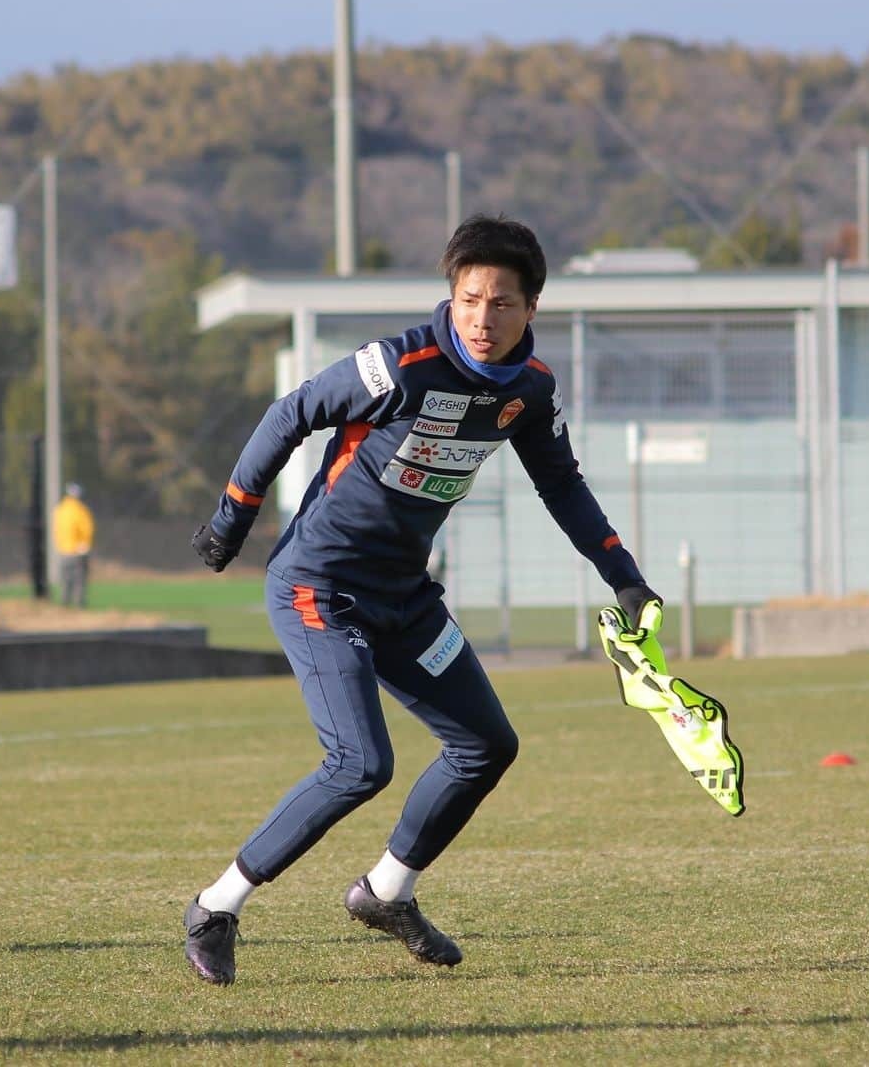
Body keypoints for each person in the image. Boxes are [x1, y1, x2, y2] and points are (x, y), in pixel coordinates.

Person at [186, 214, 662, 986]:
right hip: (320, 587)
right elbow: (293, 411)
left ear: (531, 309)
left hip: (405, 598)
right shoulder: (400, 364)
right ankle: (215, 907)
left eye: (502, 303)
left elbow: (563, 485)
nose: (482, 317)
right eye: (470, 298)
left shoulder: (531, 392)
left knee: (486, 745)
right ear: (452, 295)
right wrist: (233, 514)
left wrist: (625, 577)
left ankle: (385, 893)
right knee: (360, 764)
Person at [53, 482, 95, 608]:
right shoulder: (80, 510)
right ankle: (79, 604)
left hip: (63, 550)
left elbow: (57, 530)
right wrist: (85, 544)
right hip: (77, 550)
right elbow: (87, 528)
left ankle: (64, 603)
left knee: (66, 579)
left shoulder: (60, 509)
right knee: (79, 580)